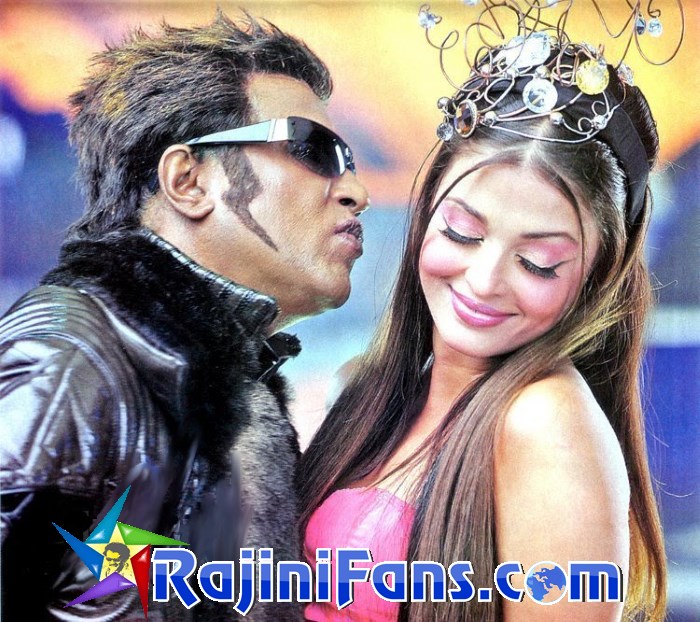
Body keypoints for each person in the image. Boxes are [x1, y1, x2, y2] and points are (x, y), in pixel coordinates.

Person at [299, 8, 668, 622]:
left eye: (539, 263)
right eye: (462, 232)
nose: (484, 281)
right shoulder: (371, 390)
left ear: (598, 273)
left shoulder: (543, 422)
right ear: (426, 211)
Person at [0, 11, 368, 621]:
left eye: (348, 157)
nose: (356, 189)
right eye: (313, 149)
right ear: (189, 180)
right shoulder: (71, 353)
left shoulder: (228, 378)